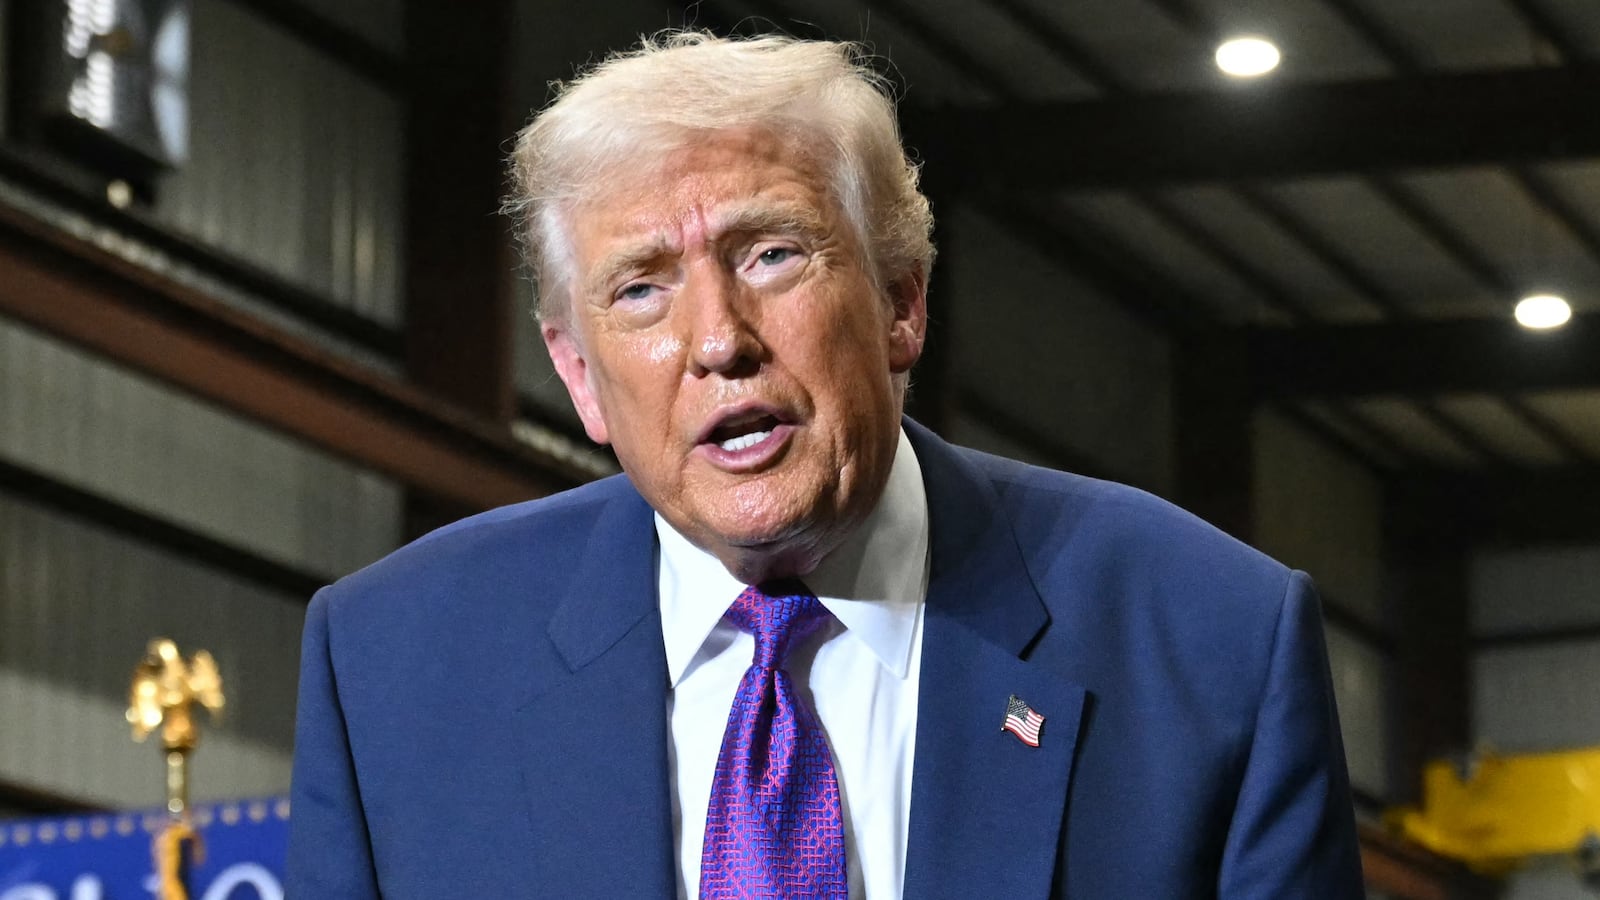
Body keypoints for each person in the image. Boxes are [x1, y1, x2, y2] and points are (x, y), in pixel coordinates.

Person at [285, 31, 1364, 899]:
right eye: (640, 290)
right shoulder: (394, 665)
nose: (718, 340)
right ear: (576, 372)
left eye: (771, 254)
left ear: (901, 299)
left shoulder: (1207, 637)